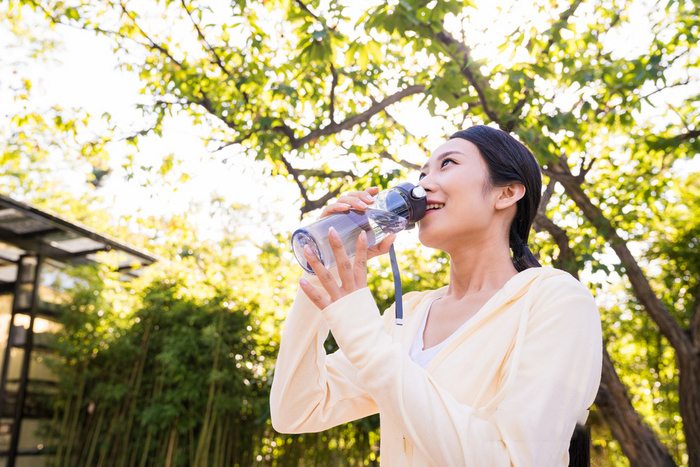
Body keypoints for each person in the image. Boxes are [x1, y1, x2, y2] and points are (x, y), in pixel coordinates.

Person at [270, 125, 602, 466]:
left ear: (506, 194)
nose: (422, 184)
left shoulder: (556, 301)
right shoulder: (409, 314)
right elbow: (296, 410)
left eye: (448, 164)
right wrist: (326, 265)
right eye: (422, 172)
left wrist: (365, 339)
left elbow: (516, 460)